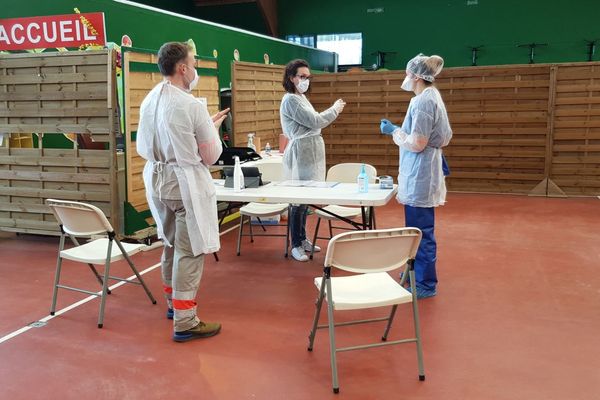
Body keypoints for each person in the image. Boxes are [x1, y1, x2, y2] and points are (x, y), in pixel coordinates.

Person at [137, 42, 229, 341]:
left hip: (157, 179)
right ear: (182, 68)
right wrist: (211, 127)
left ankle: (172, 305)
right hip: (183, 185)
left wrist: (204, 126)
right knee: (189, 251)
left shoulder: (150, 99)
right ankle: (186, 319)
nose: (195, 70)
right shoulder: (191, 105)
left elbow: (158, 140)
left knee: (170, 243)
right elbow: (211, 155)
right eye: (193, 63)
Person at [380, 53, 452, 299]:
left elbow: (418, 143)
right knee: (418, 230)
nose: (406, 77)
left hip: (420, 173)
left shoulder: (422, 101)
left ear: (417, 76)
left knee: (420, 231)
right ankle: (414, 274)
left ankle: (424, 284)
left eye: (408, 73)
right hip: (422, 170)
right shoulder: (431, 96)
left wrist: (395, 131)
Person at [279, 59, 346, 262]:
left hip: (310, 151)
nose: (306, 80)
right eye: (302, 76)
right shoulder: (290, 99)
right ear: (292, 78)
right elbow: (315, 121)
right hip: (301, 153)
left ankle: (302, 238)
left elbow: (314, 122)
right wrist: (334, 109)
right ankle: (296, 245)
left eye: (308, 77)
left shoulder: (301, 98)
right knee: (297, 201)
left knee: (305, 199)